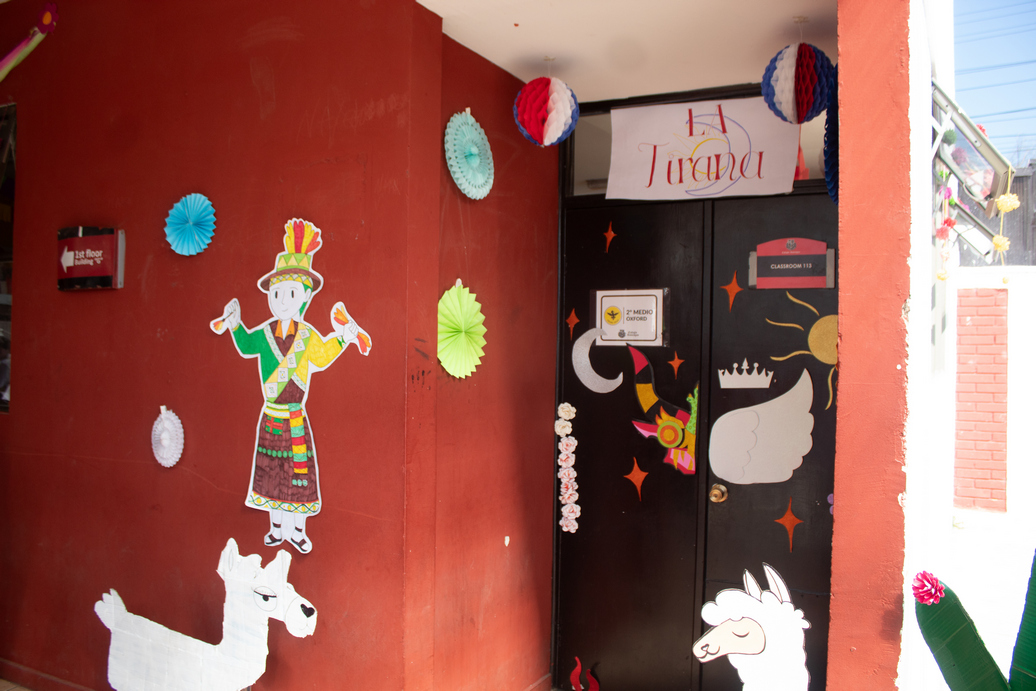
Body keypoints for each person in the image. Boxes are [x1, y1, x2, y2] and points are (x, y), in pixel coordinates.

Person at [211, 219, 370, 554]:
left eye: (291, 293)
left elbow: (323, 356)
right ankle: (275, 527)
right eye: (277, 293)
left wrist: (344, 337)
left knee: (298, 476)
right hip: (271, 416)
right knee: (270, 473)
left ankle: (297, 530)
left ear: (305, 296)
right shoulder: (265, 333)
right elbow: (247, 344)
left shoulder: (308, 336)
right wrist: (235, 324)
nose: (282, 299)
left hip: (295, 417)